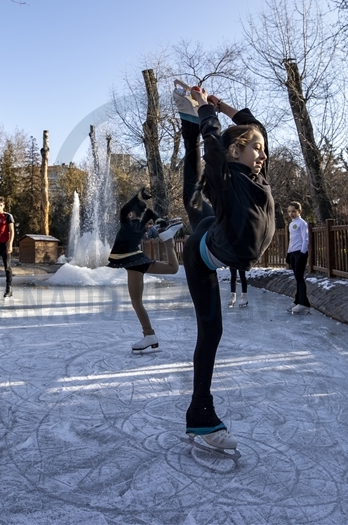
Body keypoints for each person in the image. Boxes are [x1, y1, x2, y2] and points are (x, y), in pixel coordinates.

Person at [173, 79, 274, 453]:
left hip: (219, 233)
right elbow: (214, 139)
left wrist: (222, 104)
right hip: (203, 255)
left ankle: (187, 121)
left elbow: (256, 127)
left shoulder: (258, 179)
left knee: (199, 210)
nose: (261, 154)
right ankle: (201, 415)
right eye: (254, 149)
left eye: (262, 150)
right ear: (235, 151)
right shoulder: (227, 171)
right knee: (211, 334)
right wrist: (203, 110)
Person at [107, 188, 183, 351]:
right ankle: (168, 240)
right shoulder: (139, 226)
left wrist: (139, 197)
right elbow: (148, 212)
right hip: (138, 260)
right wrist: (160, 221)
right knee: (173, 269)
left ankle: (149, 335)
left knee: (136, 302)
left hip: (132, 262)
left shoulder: (127, 221)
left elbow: (126, 209)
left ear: (132, 214)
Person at [286, 201, 312, 314]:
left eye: (293, 211)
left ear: (299, 211)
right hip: (293, 253)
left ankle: (303, 304)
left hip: (300, 253)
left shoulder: (302, 223)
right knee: (297, 278)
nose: (291, 214)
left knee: (300, 278)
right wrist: (288, 253)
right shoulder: (291, 224)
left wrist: (302, 253)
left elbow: (305, 239)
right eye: (289, 211)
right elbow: (292, 240)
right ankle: (298, 301)